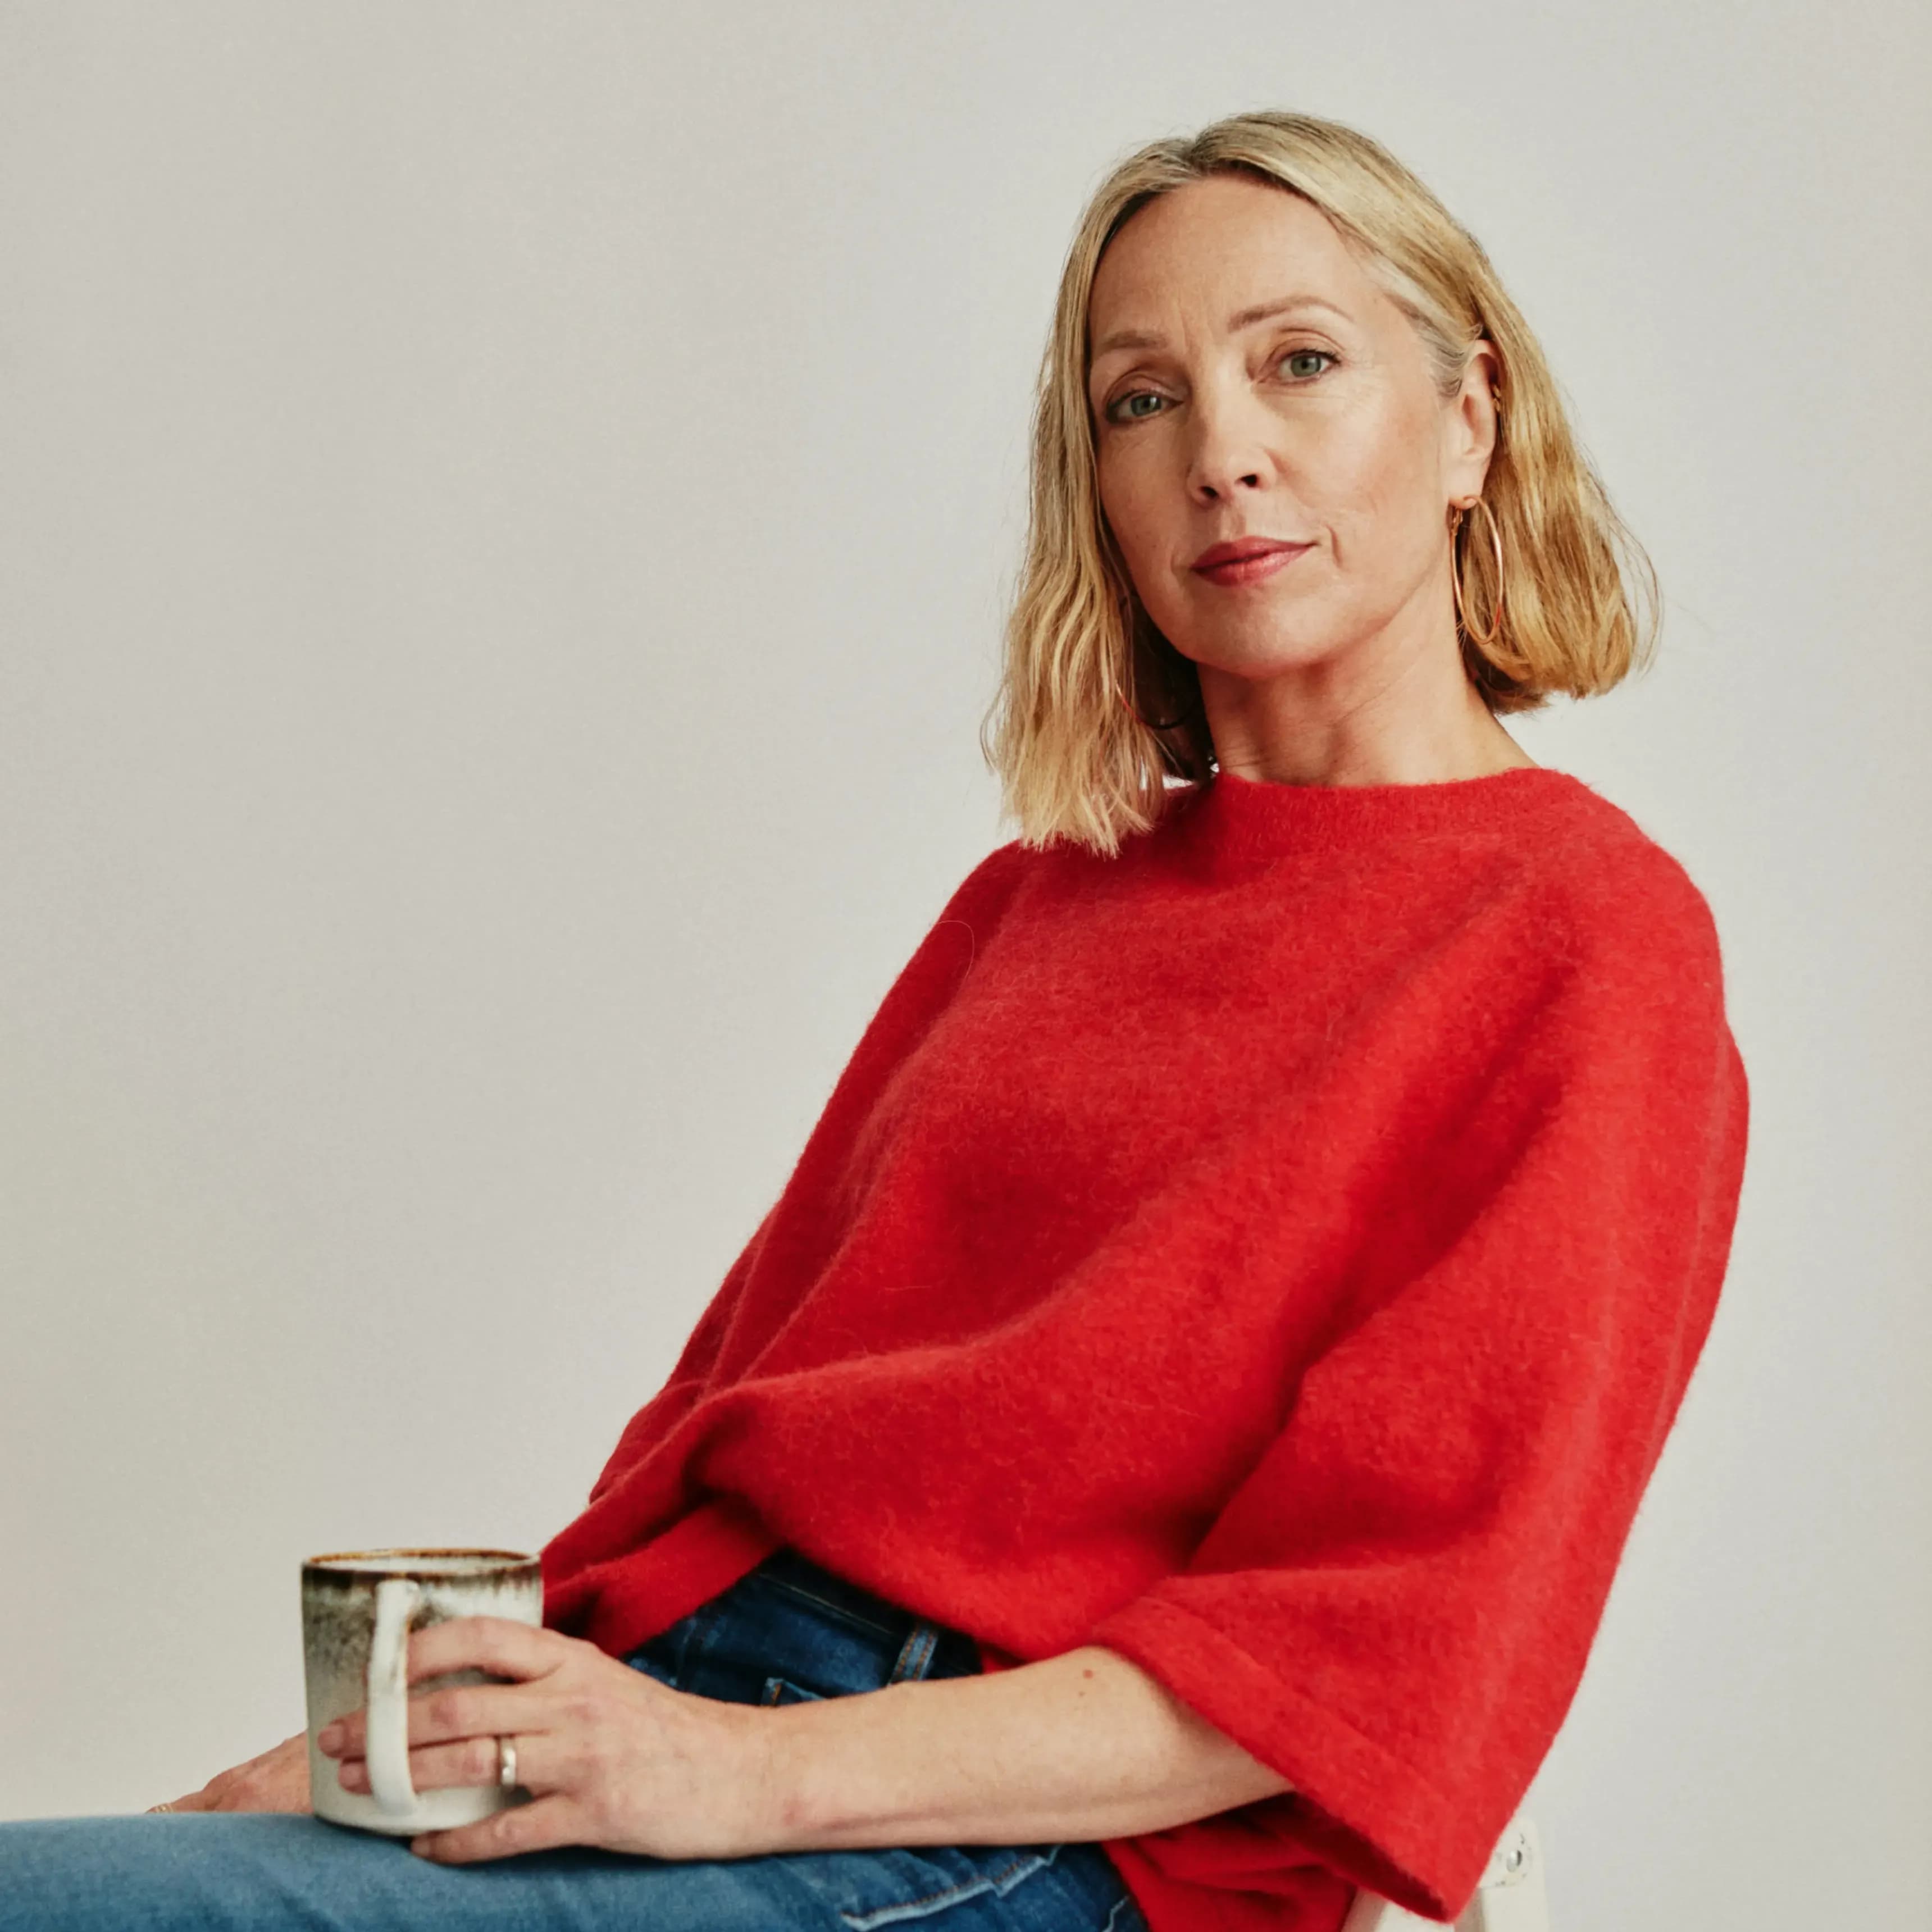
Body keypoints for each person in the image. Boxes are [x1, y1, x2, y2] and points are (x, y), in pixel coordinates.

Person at [1, 108, 1749, 1932]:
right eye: (1140, 401)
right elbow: (715, 1422)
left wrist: (741, 1777)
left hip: (1026, 1833)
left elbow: (1372, 1645)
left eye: (1300, 363)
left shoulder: (1584, 939)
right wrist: (442, 1719)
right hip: (680, 1706)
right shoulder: (1034, 904)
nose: (1225, 455)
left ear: (1467, 418)